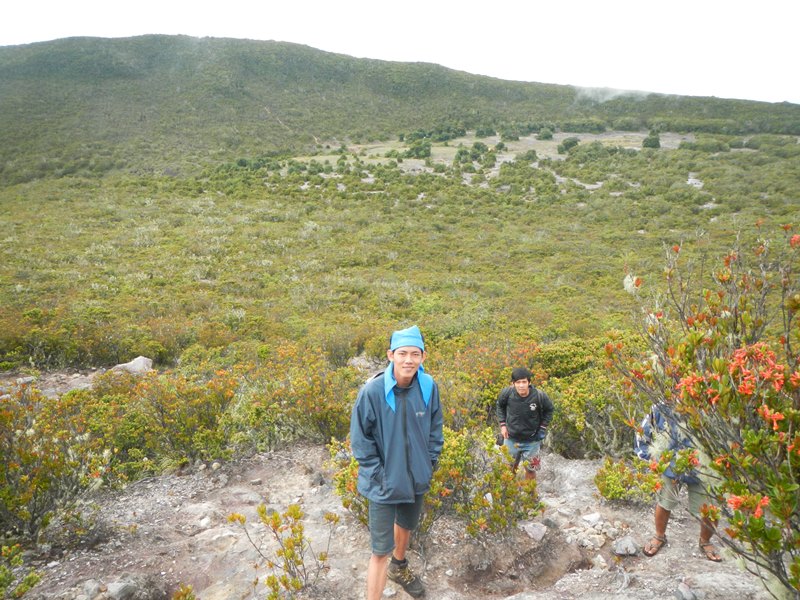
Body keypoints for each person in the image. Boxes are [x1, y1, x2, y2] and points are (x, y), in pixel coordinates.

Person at [350, 325, 444, 599]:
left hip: (415, 477)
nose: (408, 360)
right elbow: (360, 439)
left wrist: (429, 463)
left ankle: (399, 567)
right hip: (382, 482)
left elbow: (435, 428)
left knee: (406, 524)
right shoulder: (373, 391)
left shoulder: (428, 387)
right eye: (402, 353)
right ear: (390, 355)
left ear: (423, 357)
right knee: (380, 550)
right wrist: (378, 474)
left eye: (415, 354)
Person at [635, 404, 722, 562]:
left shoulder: (706, 402)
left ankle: (705, 541)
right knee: (664, 503)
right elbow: (644, 429)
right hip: (671, 465)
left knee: (710, 509)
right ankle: (659, 536)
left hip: (703, 467)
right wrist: (648, 455)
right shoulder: (661, 406)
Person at [495, 367, 554, 480]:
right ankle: (508, 496)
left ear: (529, 383)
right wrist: (503, 425)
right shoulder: (507, 394)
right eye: (518, 382)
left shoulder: (539, 396)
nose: (521, 385)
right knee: (509, 469)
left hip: (532, 441)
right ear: (513, 384)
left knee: (531, 470)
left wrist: (542, 428)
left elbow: (549, 410)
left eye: (524, 382)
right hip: (510, 439)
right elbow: (500, 406)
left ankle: (530, 496)